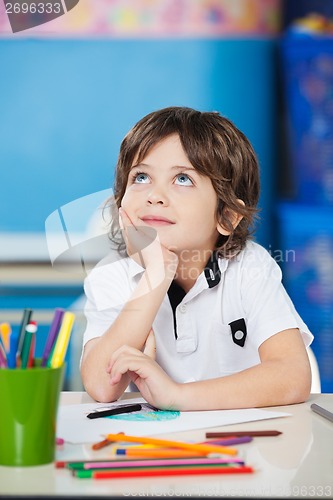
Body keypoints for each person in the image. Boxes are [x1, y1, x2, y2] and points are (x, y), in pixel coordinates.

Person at [80, 106, 313, 410]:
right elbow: (100, 385)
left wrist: (176, 396)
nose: (154, 195)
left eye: (182, 179)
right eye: (140, 177)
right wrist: (156, 276)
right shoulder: (110, 275)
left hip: (245, 444)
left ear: (227, 217)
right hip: (158, 445)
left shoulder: (250, 267)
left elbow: (293, 376)